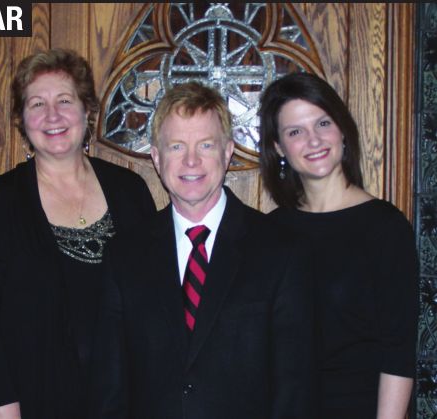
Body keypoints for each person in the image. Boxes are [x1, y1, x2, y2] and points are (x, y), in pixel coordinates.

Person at [90, 81, 316, 419]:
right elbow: (109, 390)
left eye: (206, 145)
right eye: (177, 146)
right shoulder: (124, 256)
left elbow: (295, 390)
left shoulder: (281, 251)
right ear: (157, 158)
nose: (191, 160)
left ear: (227, 153)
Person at [0, 48, 156, 419]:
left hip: (122, 402)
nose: (52, 115)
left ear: (87, 110)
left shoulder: (130, 191)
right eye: (37, 104)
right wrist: (3, 407)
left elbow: (153, 303)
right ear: (22, 120)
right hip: (30, 402)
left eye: (65, 100)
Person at [258, 72, 419, 419]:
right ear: (279, 147)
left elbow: (398, 350)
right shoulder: (269, 232)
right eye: (295, 132)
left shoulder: (385, 227)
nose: (313, 140)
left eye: (323, 123)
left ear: (342, 129)